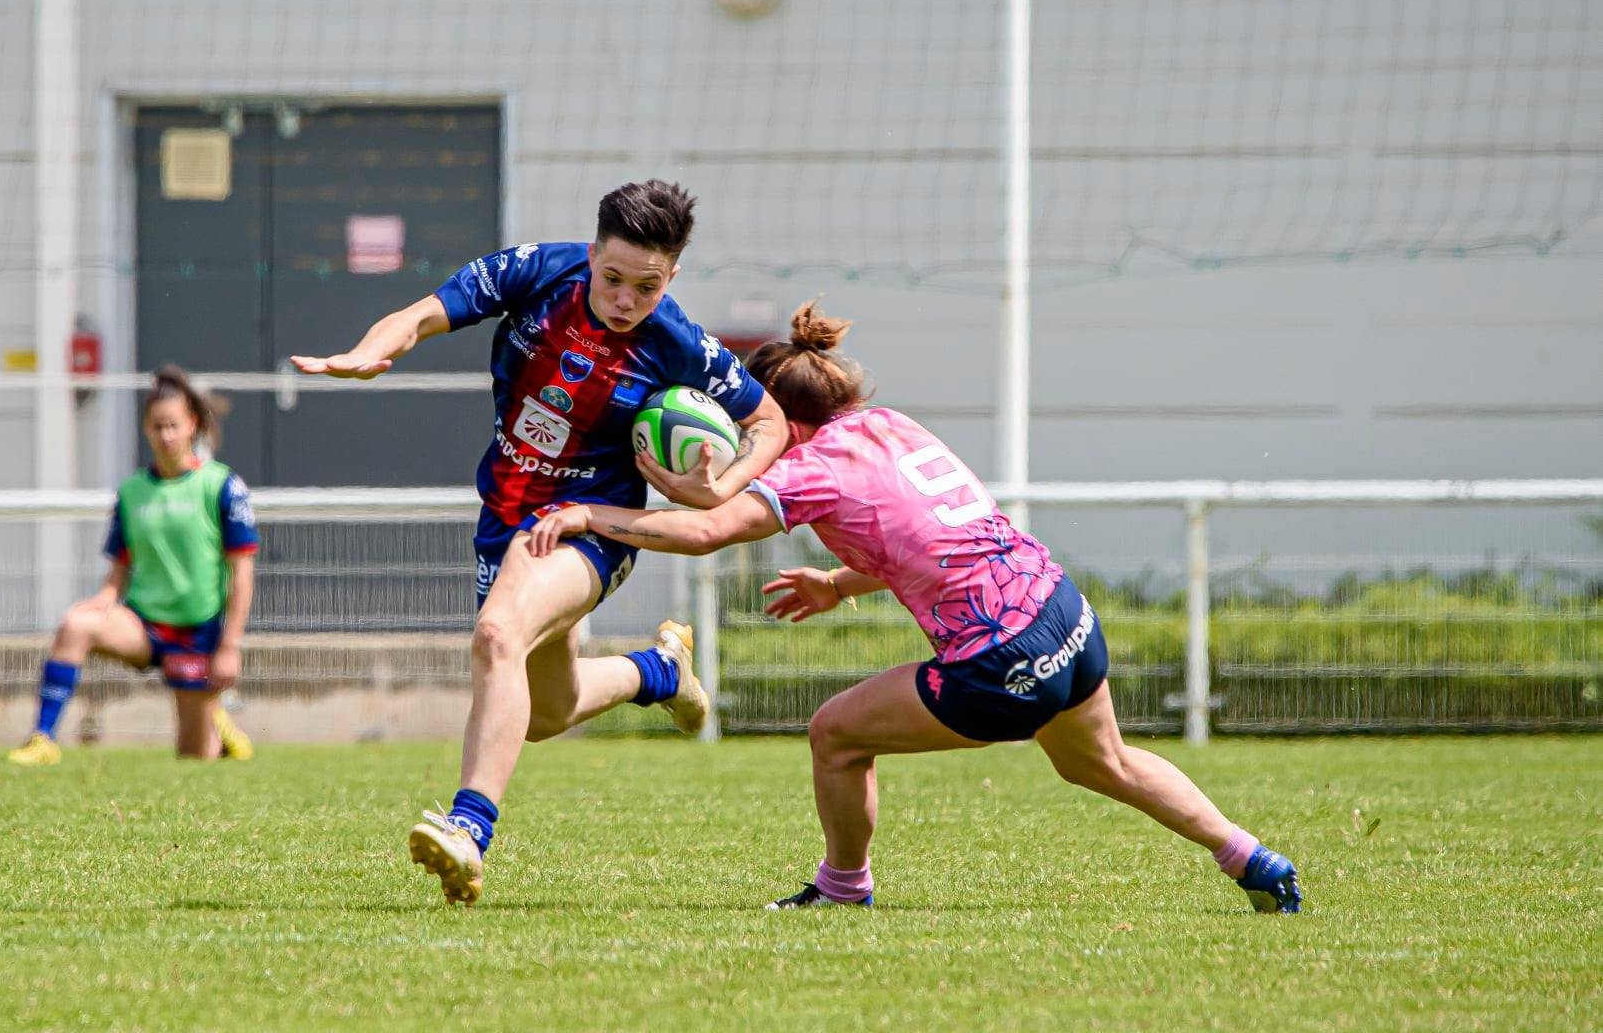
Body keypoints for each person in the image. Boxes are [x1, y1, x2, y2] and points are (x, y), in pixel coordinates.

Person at [527, 300, 1302, 913]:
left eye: (751, 426)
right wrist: (837, 583)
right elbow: (926, 534)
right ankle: (1252, 857)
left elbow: (704, 532)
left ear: (779, 423)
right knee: (1103, 760)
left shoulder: (807, 470)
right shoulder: (888, 426)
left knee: (834, 734)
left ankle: (841, 886)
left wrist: (594, 514)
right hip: (1065, 613)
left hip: (1001, 661)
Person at [290, 180, 788, 905]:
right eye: (612, 278)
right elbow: (424, 312)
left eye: (646, 287)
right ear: (591, 254)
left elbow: (768, 420)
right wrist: (371, 350)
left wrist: (719, 489)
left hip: (590, 527)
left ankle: (468, 827)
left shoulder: (675, 340)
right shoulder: (539, 272)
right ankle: (656, 671)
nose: (624, 298)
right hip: (505, 514)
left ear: (671, 277)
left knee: (497, 635)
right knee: (548, 710)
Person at [9, 367, 257, 765]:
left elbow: (241, 573)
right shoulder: (132, 491)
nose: (166, 436)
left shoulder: (222, 485)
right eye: (157, 426)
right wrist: (105, 597)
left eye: (173, 425)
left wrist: (229, 646)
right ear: (146, 428)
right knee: (76, 624)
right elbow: (120, 566)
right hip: (144, 626)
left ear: (192, 424)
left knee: (195, 758)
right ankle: (43, 738)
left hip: (198, 633)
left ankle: (214, 719)